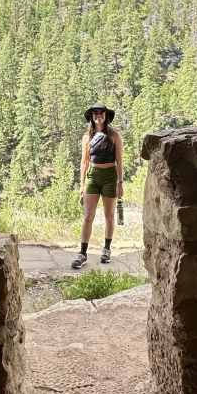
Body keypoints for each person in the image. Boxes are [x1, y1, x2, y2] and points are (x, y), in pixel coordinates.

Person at [71, 103, 124, 269]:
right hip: (93, 177)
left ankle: (107, 249)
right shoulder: (87, 137)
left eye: (101, 113)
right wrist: (81, 185)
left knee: (109, 215)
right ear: (92, 117)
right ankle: (82, 253)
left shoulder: (114, 135)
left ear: (106, 116)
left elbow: (120, 161)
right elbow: (84, 162)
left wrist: (120, 183)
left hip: (110, 176)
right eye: (95, 113)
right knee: (88, 216)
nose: (98, 115)